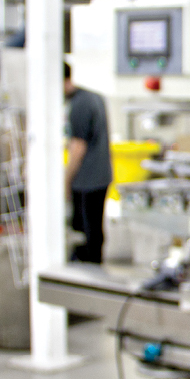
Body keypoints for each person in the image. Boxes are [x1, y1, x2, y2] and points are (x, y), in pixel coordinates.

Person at [64, 62, 112, 264]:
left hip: (86, 180)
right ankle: (94, 266)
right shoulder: (95, 96)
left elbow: (78, 147)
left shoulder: (79, 104)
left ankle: (86, 272)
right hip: (102, 176)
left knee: (84, 234)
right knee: (95, 229)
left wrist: (66, 180)